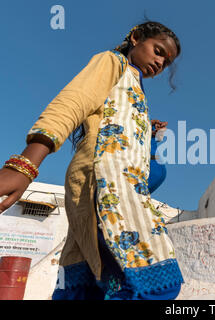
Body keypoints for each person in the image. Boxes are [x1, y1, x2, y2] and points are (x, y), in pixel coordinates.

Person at [0, 21, 184, 300]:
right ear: (135, 38)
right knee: (155, 282)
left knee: (87, 288)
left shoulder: (135, 92)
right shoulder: (113, 63)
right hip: (103, 185)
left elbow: (146, 173)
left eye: (166, 61)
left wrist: (152, 137)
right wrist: (25, 165)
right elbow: (74, 101)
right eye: (158, 51)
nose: (160, 62)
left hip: (118, 191)